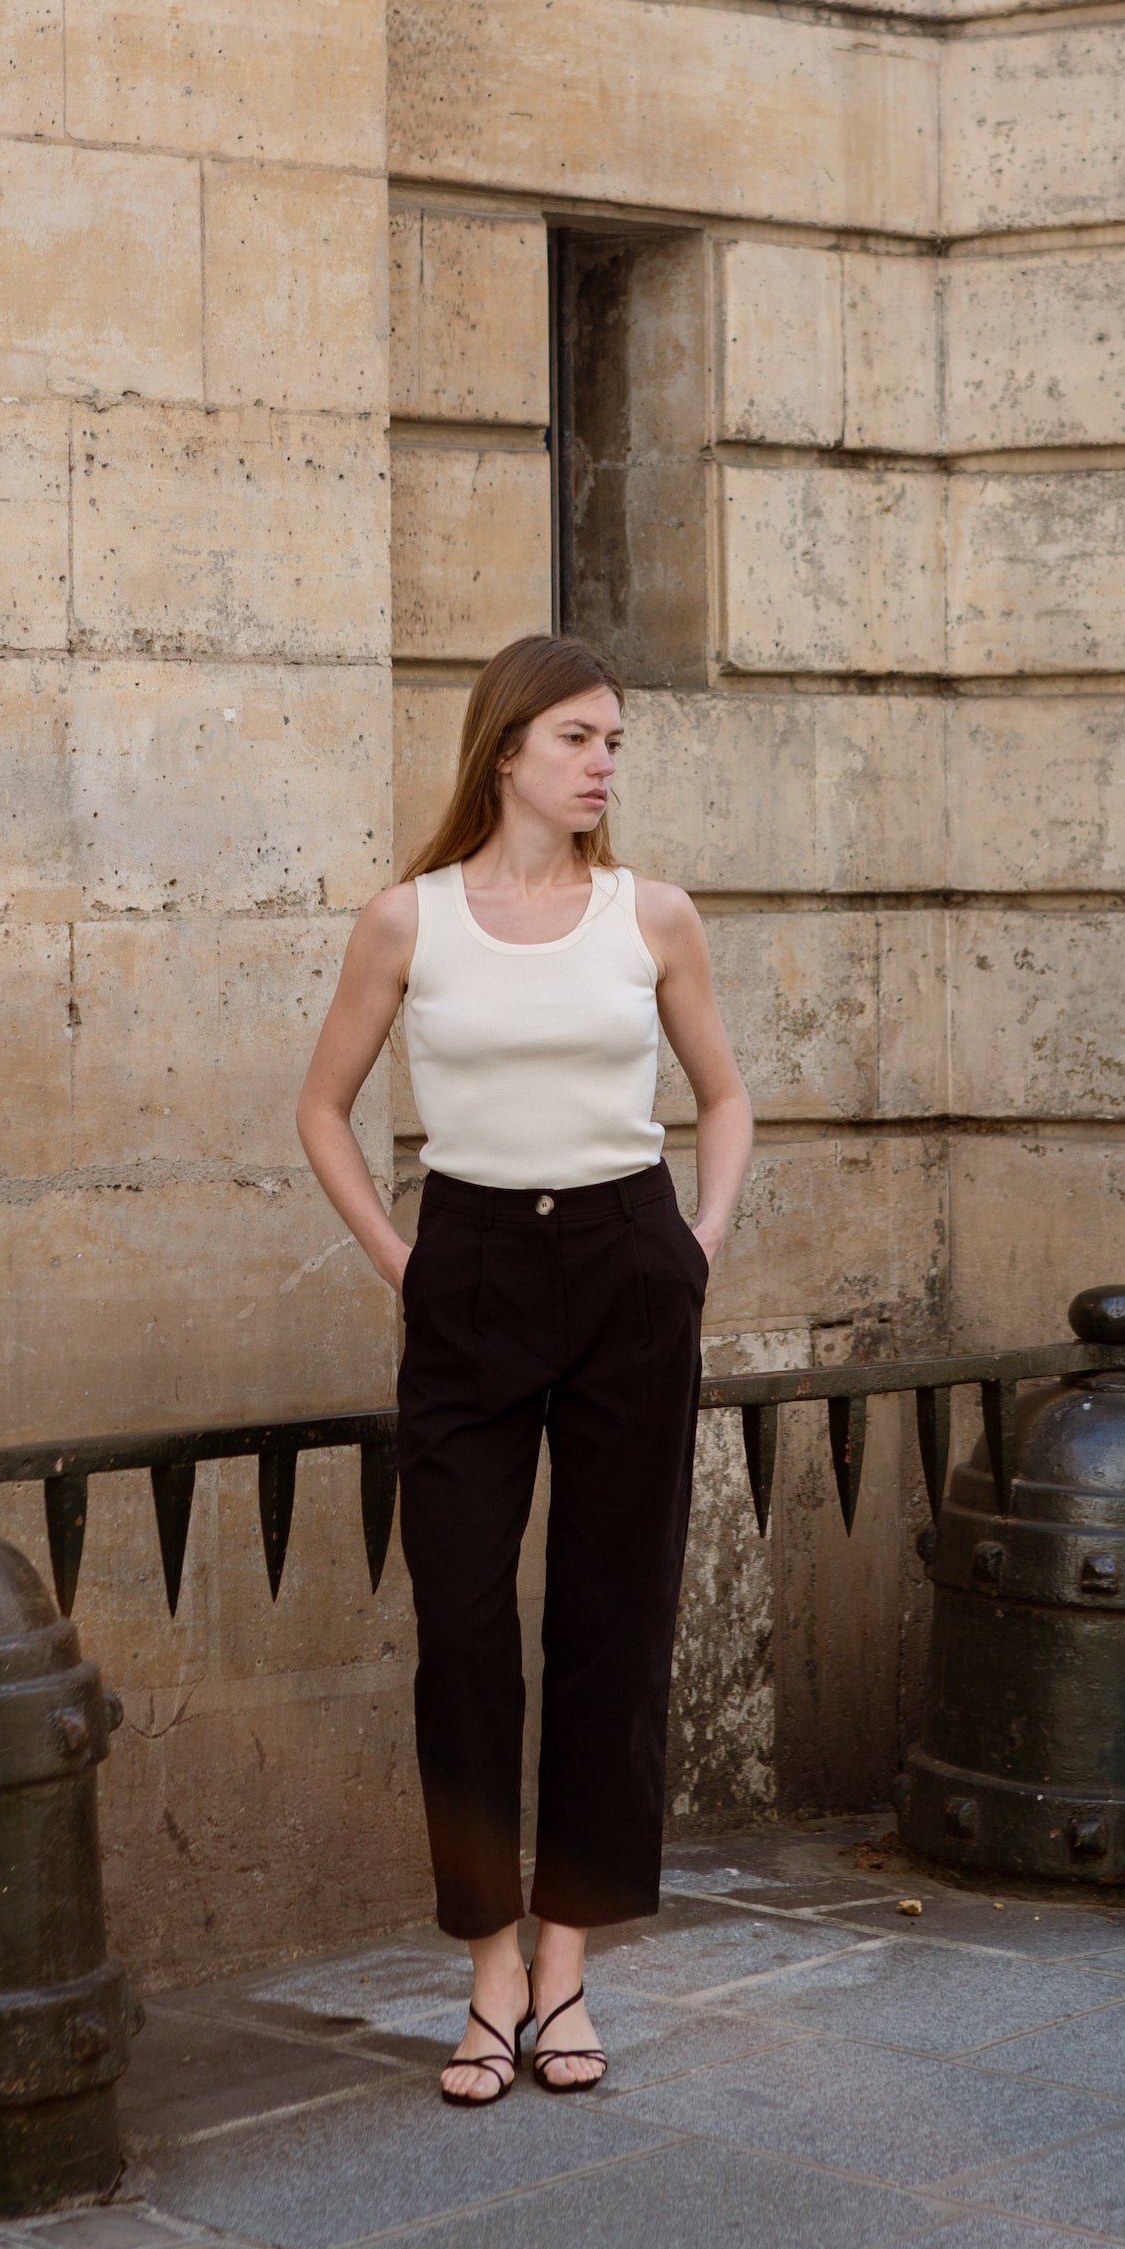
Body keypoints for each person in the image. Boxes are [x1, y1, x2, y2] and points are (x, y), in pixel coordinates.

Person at [296, 634, 754, 2107]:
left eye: (613, 737)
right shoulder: (408, 921)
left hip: (629, 1263)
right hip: (473, 1271)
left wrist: (701, 1241)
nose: (604, 759)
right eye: (576, 736)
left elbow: (728, 1095)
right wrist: (407, 1261)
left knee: (616, 1623)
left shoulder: (653, 916)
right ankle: (487, 1966)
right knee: (468, 1624)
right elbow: (321, 1108)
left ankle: (565, 1969)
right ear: (506, 751)